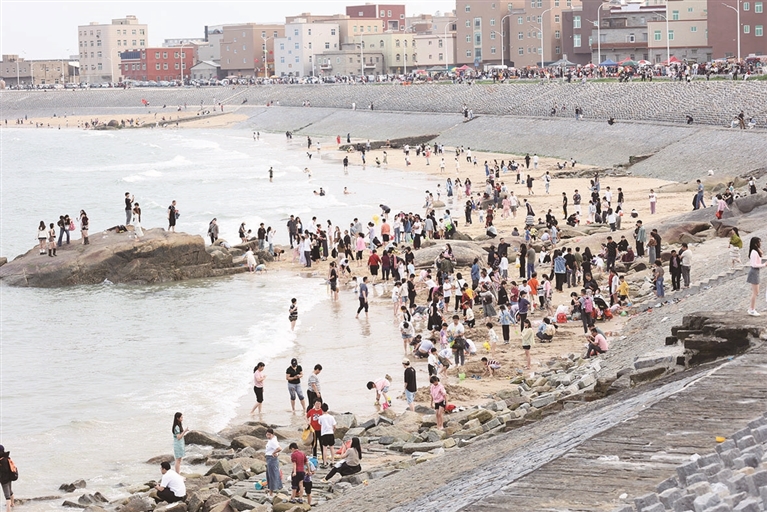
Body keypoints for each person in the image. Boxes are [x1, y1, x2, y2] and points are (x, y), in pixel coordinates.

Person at [747, 237, 766, 316]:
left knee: (756, 292)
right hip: (754, 272)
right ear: (755, 243)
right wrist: (764, 265)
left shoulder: (755, 251)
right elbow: (754, 264)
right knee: (755, 292)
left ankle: (751, 308)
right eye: (759, 242)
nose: (760, 243)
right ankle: (751, 309)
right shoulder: (754, 252)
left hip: (756, 272)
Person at [264, 428, 283, 496]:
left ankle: (271, 492)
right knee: (271, 474)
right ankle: (273, 489)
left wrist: (274, 452)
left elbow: (279, 448)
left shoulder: (272, 441)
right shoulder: (273, 439)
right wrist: (276, 453)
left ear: (272, 434)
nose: (268, 436)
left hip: (271, 459)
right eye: (267, 434)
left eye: (269, 435)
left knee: (272, 475)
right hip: (270, 459)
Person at [317, 403, 336, 468]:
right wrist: (333, 431)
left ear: (321, 409)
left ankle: (325, 463)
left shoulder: (321, 417)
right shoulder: (331, 417)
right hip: (331, 433)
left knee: (324, 449)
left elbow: (319, 423)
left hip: (324, 434)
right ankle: (333, 462)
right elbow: (334, 426)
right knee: (332, 448)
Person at [0, 446, 15, 512]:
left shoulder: (2, 461)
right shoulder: (7, 458)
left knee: (7, 496)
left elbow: (3, 471)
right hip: (9, 477)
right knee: (10, 491)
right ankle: (12, 504)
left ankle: (8, 510)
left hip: (4, 480)